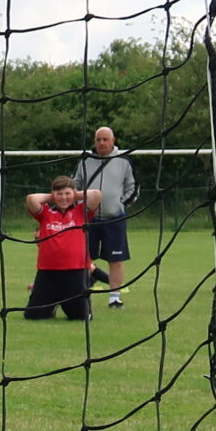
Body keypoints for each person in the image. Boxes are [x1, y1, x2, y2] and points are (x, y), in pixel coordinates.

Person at [73, 126, 136, 309]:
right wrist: (80, 206)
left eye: (105, 139)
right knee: (83, 258)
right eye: (98, 139)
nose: (101, 143)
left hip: (114, 218)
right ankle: (79, 294)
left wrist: (120, 204)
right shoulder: (85, 161)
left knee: (115, 260)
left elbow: (133, 187)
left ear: (113, 140)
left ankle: (114, 298)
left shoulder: (124, 161)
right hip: (88, 219)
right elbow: (75, 184)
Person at [21, 175, 101, 321]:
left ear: (74, 194)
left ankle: (80, 297)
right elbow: (31, 199)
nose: (64, 198)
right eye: (59, 194)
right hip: (48, 272)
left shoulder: (80, 212)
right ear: (53, 194)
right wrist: (53, 197)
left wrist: (74, 195)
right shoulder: (45, 213)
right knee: (33, 316)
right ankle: (53, 305)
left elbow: (96, 195)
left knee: (80, 318)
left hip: (75, 271)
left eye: (67, 193)